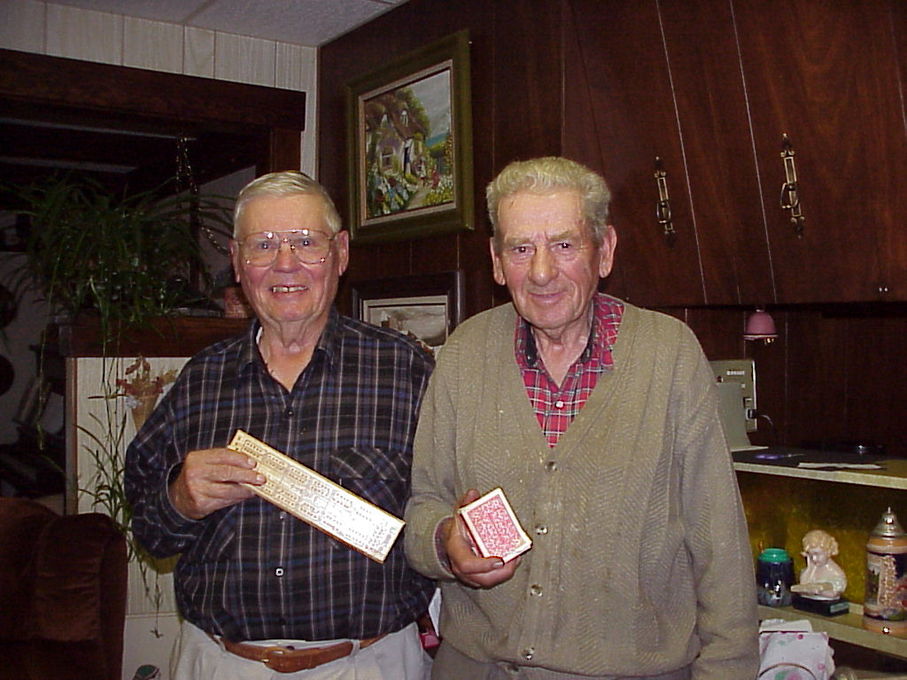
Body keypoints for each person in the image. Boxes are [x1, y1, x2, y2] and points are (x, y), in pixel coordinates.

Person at [404, 157, 759, 679]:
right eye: (521, 249)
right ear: (498, 263)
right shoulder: (463, 353)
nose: (542, 271)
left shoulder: (668, 355)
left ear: (605, 251)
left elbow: (719, 544)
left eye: (565, 245)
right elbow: (422, 508)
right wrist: (446, 544)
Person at [125, 171, 435, 679]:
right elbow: (150, 532)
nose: (285, 264)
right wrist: (179, 498)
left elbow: (441, 519)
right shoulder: (199, 380)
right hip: (221, 664)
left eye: (305, 243)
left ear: (340, 253)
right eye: (263, 245)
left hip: (368, 664)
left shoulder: (407, 371)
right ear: (238, 262)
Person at [793, 529, 847, 600]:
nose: (814, 559)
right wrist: (810, 568)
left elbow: (835, 591)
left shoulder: (835, 573)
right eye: (810, 555)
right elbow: (803, 584)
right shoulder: (812, 568)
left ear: (828, 552)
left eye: (817, 554)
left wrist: (819, 591)